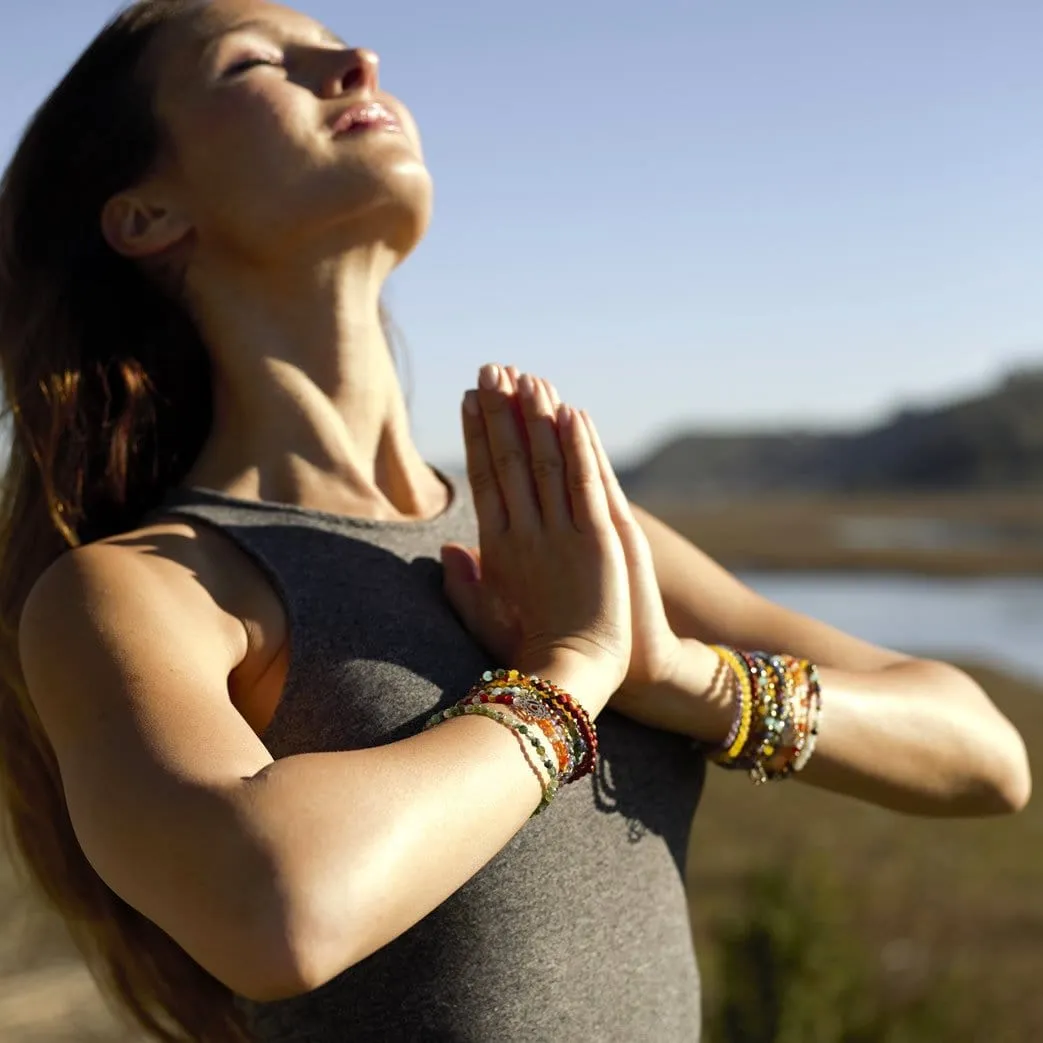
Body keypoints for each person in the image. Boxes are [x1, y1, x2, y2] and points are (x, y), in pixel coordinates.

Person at [0, 1, 1030, 1040]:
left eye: (345, 49)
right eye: (259, 64)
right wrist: (567, 677)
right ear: (145, 214)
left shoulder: (559, 535)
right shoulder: (147, 589)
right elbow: (273, 911)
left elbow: (986, 754)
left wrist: (674, 676)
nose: (359, 63)